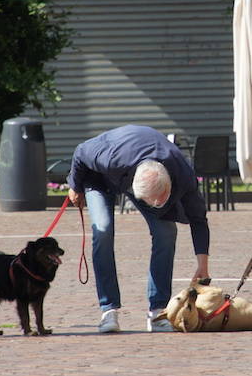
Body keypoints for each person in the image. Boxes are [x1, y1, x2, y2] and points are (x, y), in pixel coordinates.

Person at [66, 125, 211, 333]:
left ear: (169, 185)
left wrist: (202, 265)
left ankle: (157, 312)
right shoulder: (111, 157)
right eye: (151, 202)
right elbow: (81, 151)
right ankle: (109, 310)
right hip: (98, 177)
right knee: (103, 230)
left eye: (160, 202)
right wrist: (75, 186)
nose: (156, 206)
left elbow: (199, 219)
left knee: (166, 231)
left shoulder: (183, 174)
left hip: (139, 170)